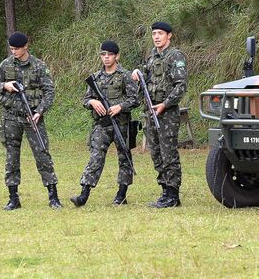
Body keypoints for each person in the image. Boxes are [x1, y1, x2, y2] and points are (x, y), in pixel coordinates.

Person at [0, 32, 62, 210]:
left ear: (26, 46)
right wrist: (4, 85)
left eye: (17, 49)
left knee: (43, 155)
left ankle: (53, 197)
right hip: (11, 117)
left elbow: (49, 91)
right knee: (11, 158)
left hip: (33, 118)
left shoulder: (38, 65)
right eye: (11, 49)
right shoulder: (6, 65)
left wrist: (40, 111)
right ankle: (13, 198)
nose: (14, 52)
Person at [71, 40, 139, 207]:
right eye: (103, 55)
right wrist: (93, 103)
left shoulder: (125, 76)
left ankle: (121, 194)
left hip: (121, 123)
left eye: (110, 55)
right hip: (102, 124)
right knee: (95, 158)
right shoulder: (95, 78)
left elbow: (135, 99)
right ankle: (83, 194)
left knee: (124, 157)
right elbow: (85, 99)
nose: (106, 58)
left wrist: (120, 107)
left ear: (117, 56)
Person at [132, 21, 187, 208]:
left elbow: (181, 85)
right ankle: (164, 191)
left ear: (169, 36)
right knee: (156, 153)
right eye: (154, 33)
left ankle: (173, 194)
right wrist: (137, 75)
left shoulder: (175, 56)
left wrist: (165, 104)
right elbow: (145, 81)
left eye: (160, 33)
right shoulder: (151, 57)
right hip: (151, 112)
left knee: (168, 153)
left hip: (167, 113)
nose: (156, 37)